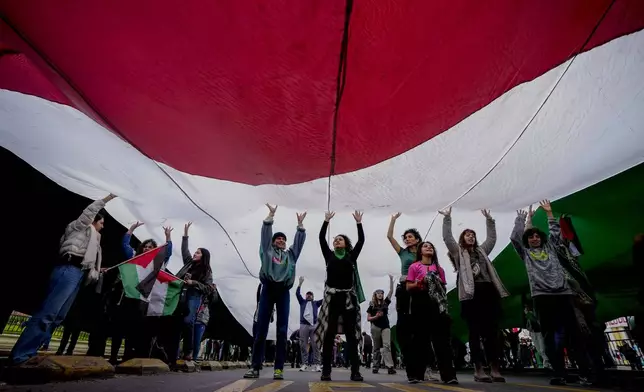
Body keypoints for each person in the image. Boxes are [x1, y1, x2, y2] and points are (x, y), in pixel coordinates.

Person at [10, 194, 116, 365]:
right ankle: (20, 356)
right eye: (101, 223)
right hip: (68, 270)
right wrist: (107, 199)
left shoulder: (93, 240)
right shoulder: (79, 227)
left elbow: (86, 258)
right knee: (48, 313)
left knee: (58, 316)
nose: (102, 227)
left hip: (79, 274)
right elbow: (89, 212)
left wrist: (97, 269)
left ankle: (31, 353)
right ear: (93, 221)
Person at [511, 201, 591, 386]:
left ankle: (585, 373)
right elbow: (515, 238)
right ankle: (558, 373)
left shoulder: (551, 249)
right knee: (549, 335)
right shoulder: (526, 254)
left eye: (537, 236)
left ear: (542, 238)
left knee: (574, 334)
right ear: (527, 240)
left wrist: (549, 214)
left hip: (563, 294)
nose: (535, 238)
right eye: (531, 237)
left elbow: (555, 235)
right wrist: (520, 220)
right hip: (541, 297)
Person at [440, 206, 508, 383]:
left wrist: (489, 221)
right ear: (462, 239)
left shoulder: (482, 251)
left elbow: (492, 239)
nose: (471, 236)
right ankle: (478, 369)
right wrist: (447, 218)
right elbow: (447, 238)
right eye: (467, 234)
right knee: (475, 332)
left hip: (488, 292)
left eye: (473, 234)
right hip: (471, 295)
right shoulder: (458, 253)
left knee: (492, 332)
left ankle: (494, 368)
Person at [244, 204, 307, 380]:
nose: (281, 240)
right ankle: (255, 366)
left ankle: (279, 368)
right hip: (268, 289)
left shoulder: (290, 256)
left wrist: (300, 227)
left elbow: (299, 244)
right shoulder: (267, 251)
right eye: (278, 238)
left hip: (283, 293)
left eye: (283, 239)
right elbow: (264, 235)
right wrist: (270, 217)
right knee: (261, 329)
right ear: (272, 241)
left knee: (282, 330)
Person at [315, 210, 365, 382]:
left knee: (351, 335)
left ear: (345, 244)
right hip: (332, 299)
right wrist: (326, 221)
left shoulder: (351, 257)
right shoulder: (328, 256)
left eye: (340, 239)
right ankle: (326, 371)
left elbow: (361, 241)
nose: (336, 240)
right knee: (329, 335)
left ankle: (355, 371)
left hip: (348, 300)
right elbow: (321, 239)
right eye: (335, 239)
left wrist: (359, 223)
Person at [406, 241, 457, 384]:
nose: (429, 247)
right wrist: (418, 283)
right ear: (420, 251)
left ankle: (448, 376)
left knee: (442, 341)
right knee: (420, 340)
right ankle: (416, 374)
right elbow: (408, 286)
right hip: (420, 303)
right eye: (425, 246)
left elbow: (443, 289)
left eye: (431, 246)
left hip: (437, 304)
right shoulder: (414, 267)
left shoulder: (439, 269)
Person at [386, 213, 422, 379]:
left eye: (410, 237)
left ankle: (424, 368)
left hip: (421, 291)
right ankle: (410, 370)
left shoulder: (424, 254)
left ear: (417, 239)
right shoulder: (403, 253)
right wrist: (393, 219)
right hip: (404, 290)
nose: (407, 239)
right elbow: (389, 236)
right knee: (404, 328)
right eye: (405, 237)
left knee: (421, 329)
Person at [175, 221, 214, 361]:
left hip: (194, 296)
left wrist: (194, 283)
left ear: (203, 256)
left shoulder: (207, 271)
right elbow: (184, 250)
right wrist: (185, 235)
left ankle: (189, 351)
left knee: (188, 321)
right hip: (180, 294)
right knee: (177, 322)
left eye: (198, 252)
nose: (194, 254)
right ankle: (173, 355)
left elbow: (209, 288)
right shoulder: (189, 263)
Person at [367, 275, 396, 375]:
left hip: (385, 326)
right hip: (375, 327)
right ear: (375, 295)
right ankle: (375, 366)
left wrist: (391, 281)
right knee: (376, 348)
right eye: (378, 293)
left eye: (381, 293)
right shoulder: (372, 305)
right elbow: (368, 318)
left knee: (387, 346)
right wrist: (376, 317)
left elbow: (391, 292)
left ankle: (390, 366)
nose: (380, 294)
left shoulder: (385, 303)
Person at [296, 276, 322, 372]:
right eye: (307, 294)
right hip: (303, 325)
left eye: (310, 295)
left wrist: (326, 286)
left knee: (316, 345)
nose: (309, 295)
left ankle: (317, 364)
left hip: (314, 325)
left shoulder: (316, 303)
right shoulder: (302, 302)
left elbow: (325, 299)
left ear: (313, 296)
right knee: (303, 345)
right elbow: (297, 294)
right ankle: (304, 363)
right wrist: (299, 284)